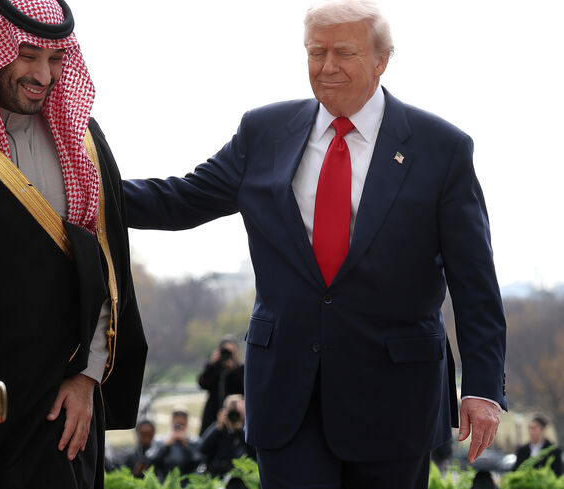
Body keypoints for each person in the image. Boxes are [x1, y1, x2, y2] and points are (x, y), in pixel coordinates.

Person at [122, 1, 506, 487]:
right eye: (315, 52)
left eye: (344, 52)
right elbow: (181, 198)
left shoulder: (441, 148)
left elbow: (474, 281)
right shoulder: (263, 132)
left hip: (395, 399)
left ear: (382, 59)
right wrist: (83, 188)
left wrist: (483, 387)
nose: (327, 67)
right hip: (287, 394)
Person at [0, 0, 147, 487]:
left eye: (56, 60)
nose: (43, 75)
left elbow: (106, 270)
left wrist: (87, 377)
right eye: (28, 55)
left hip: (54, 405)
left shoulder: (84, 142)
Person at [200, 394, 255, 478]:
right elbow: (202, 449)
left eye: (240, 410)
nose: (236, 415)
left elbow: (254, 451)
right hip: (220, 475)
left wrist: (241, 430)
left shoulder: (249, 429)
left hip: (245, 475)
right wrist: (218, 428)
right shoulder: (219, 428)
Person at [198, 337, 245, 435]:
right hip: (213, 413)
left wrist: (233, 370)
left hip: (234, 414)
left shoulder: (240, 369)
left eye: (230, 352)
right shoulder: (215, 368)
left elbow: (244, 389)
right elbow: (202, 384)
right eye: (225, 351)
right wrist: (212, 364)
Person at [148, 409, 203, 481]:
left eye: (182, 424)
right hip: (164, 482)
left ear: (187, 423)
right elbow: (151, 461)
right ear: (171, 422)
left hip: (187, 482)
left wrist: (186, 445)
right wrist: (166, 445)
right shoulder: (159, 441)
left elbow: (199, 462)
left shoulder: (194, 442)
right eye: (177, 424)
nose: (179, 427)